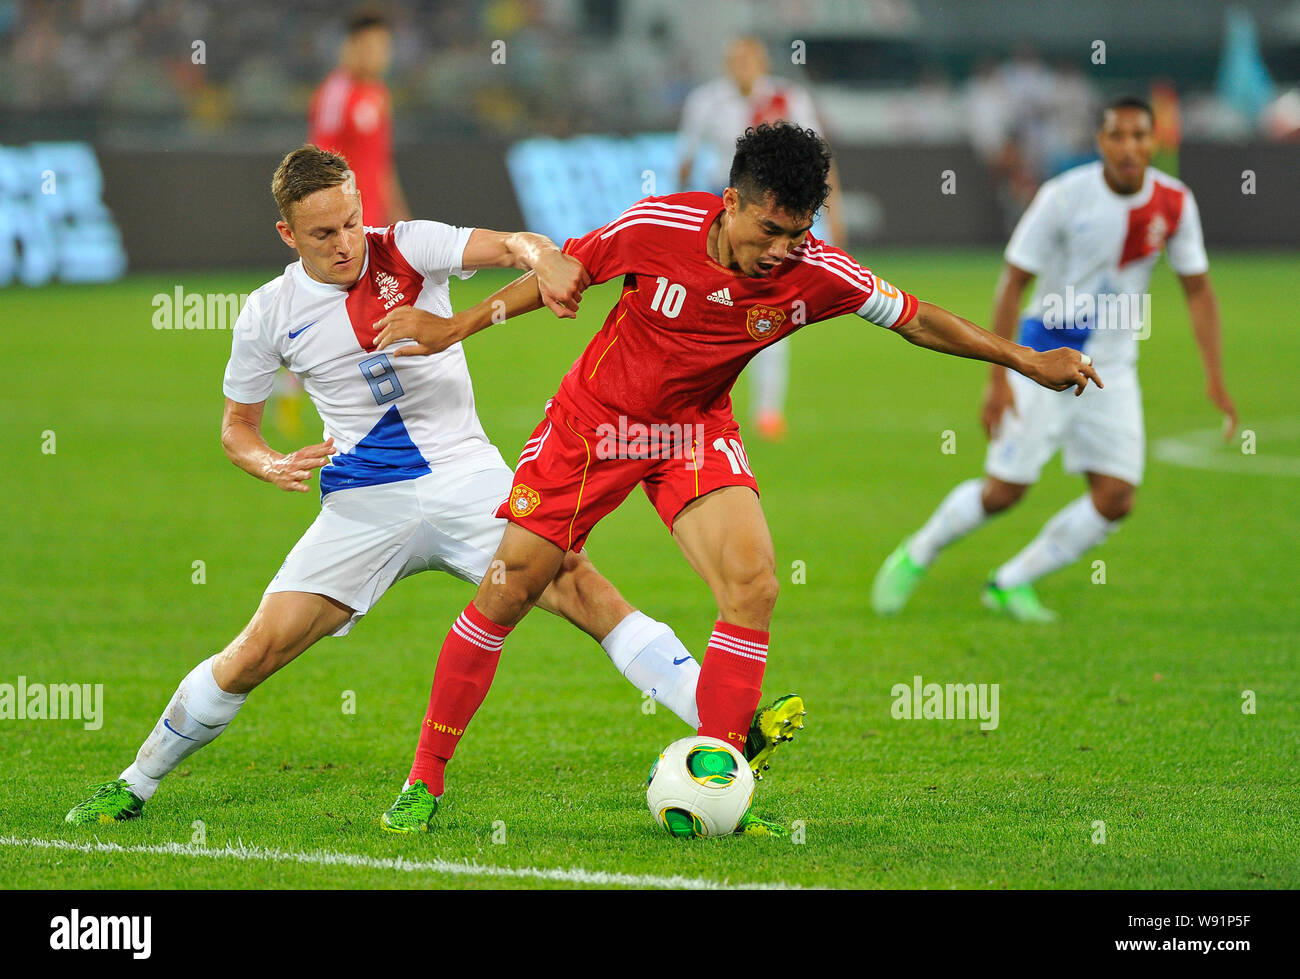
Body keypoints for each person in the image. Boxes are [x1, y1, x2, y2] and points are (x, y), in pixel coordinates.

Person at [370, 123, 1097, 834]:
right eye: (771, 230)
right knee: (508, 590)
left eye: (799, 233)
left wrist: (1028, 361)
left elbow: (918, 318)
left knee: (753, 584)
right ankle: (423, 781)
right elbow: (568, 270)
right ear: (731, 203)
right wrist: (454, 325)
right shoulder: (658, 225)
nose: (783, 251)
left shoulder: (818, 272)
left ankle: (722, 785)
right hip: (594, 425)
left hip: (692, 430)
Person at [64, 145, 801, 827]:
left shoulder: (409, 246)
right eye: (323, 233)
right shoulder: (267, 314)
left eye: (352, 219)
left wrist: (541, 256)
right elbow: (237, 428)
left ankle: (729, 733)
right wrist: (267, 462)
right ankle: (136, 779)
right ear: (287, 235)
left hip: (465, 477)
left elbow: (514, 244)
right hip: (362, 502)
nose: (347, 241)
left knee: (584, 589)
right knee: (257, 651)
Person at [871, 97, 1237, 622]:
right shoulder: (1064, 197)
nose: (1129, 147)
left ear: (1154, 141)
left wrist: (1216, 376)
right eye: (1118, 135)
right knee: (1005, 492)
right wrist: (998, 379)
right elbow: (1012, 284)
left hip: (1112, 368)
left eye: (1140, 136)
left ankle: (1009, 582)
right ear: (1101, 141)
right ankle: (918, 551)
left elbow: (1198, 290)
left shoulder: (1175, 203)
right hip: (1043, 359)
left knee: (1115, 497)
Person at [677, 36, 847, 441]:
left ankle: (768, 410)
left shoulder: (789, 98)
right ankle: (696, 401)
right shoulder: (705, 102)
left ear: (763, 62)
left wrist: (835, 218)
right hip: (722, 215)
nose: (743, 67)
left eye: (749, 59)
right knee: (706, 307)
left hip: (773, 221)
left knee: (770, 308)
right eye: (735, 60)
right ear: (726, 63)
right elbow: (685, 159)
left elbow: (820, 160)